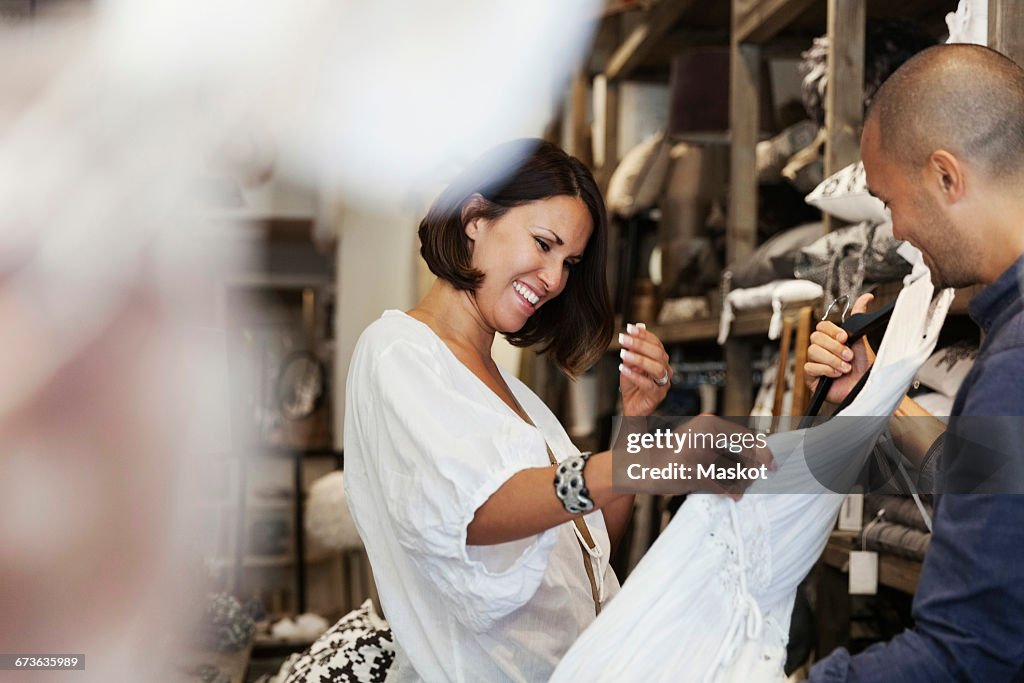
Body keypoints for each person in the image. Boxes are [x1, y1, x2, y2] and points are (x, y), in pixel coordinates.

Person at [343, 139, 771, 682]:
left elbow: (593, 545)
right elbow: (472, 514)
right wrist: (643, 463)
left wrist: (633, 424)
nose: (553, 279)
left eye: (568, 262)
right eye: (542, 244)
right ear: (475, 218)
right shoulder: (398, 352)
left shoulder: (518, 398)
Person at [805, 44, 1024, 682]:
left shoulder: (1013, 362)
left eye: (891, 200)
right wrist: (876, 394)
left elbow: (968, 654)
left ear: (946, 176)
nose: (898, 231)